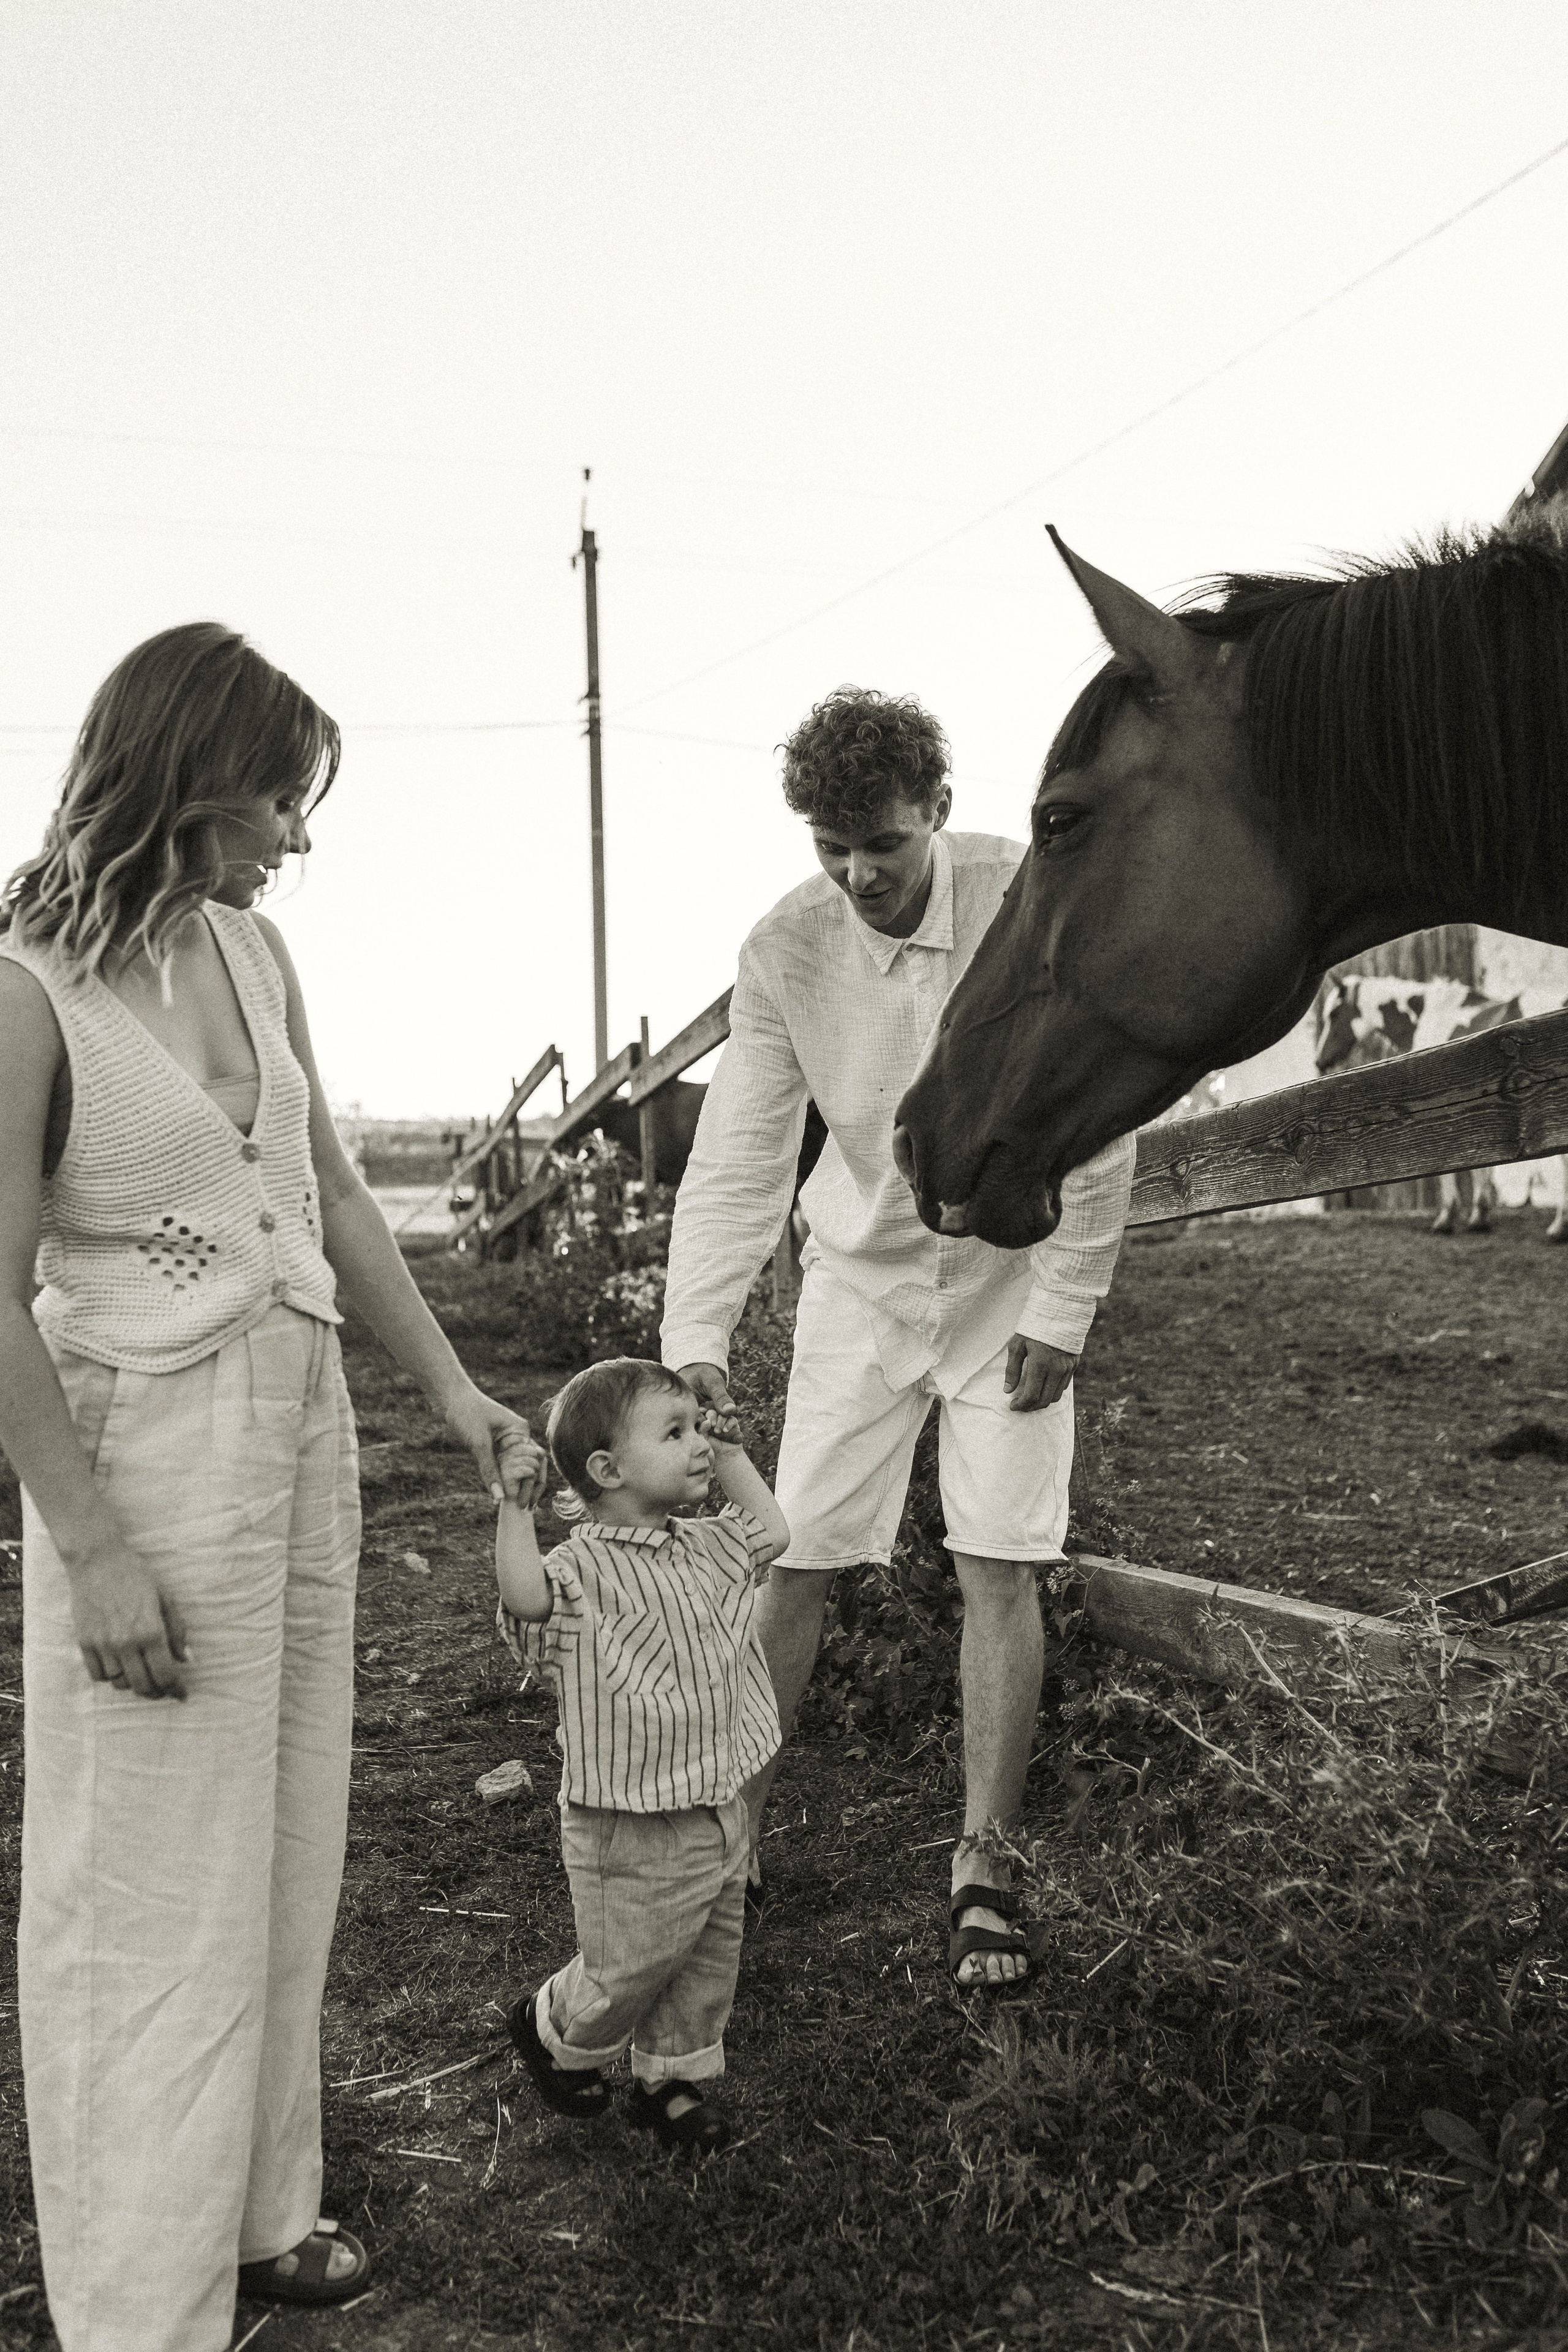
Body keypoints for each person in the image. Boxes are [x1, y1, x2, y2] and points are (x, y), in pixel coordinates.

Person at [0, 624, 530, 2352]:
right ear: (181, 777)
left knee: (288, 1842)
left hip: (301, 1434)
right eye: (275, 802)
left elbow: (338, 1207)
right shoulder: (25, 994)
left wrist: (454, 1399)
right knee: (148, 1884)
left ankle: (262, 2208)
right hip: (143, 1458)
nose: (295, 838)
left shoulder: (259, 947)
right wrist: (92, 1549)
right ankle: (139, 2305)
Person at [660, 687, 1135, 1993]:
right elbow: (741, 1156)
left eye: (880, 841)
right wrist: (694, 1332)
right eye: (830, 847)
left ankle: (983, 1861)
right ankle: (730, 1838)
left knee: (998, 1558)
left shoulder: (1022, 898)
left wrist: (1066, 1301)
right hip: (860, 1282)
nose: (858, 873)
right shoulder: (786, 951)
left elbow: (1097, 1103)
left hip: (1009, 1279)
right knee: (795, 1554)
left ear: (935, 809)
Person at [494, 1359, 789, 2152]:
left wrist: (730, 1454)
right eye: (676, 1433)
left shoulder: (704, 1547)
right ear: (607, 1469)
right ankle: (554, 2027)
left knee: (705, 1953)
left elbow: (775, 1532)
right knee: (634, 1959)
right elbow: (525, 1599)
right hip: (630, 1813)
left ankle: (671, 2083)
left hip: (718, 1796)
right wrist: (513, 1511)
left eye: (697, 1427)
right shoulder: (580, 1569)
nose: (696, 1443)